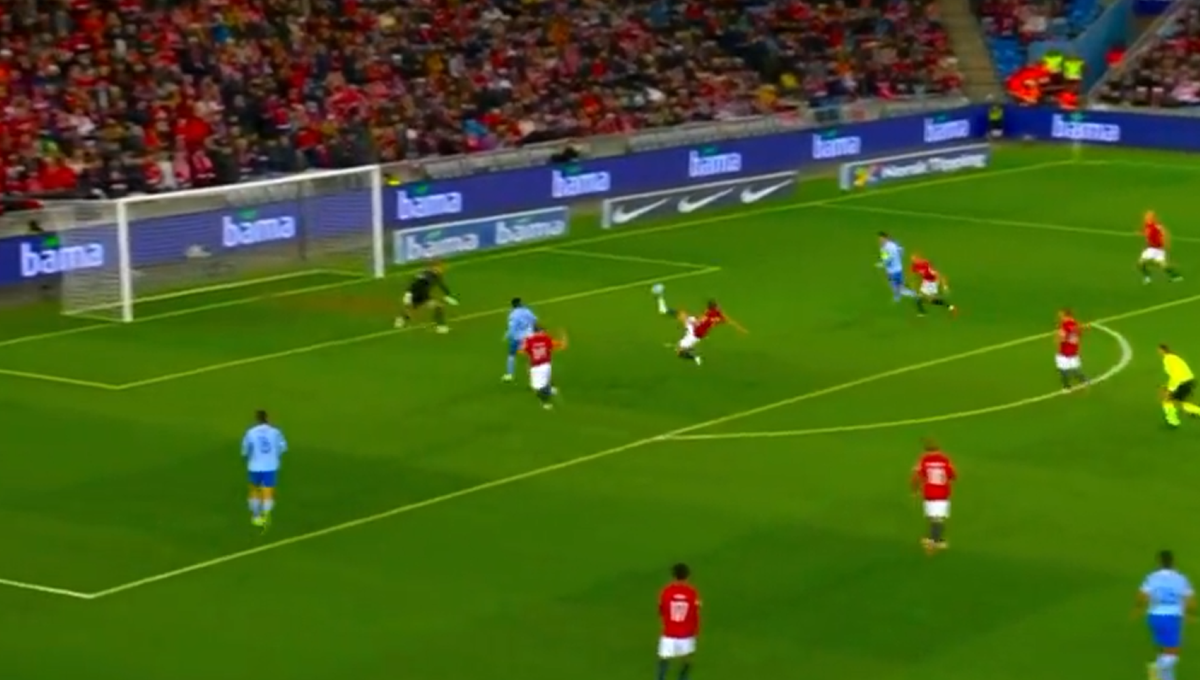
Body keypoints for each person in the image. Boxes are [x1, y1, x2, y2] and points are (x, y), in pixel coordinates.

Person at [1137, 550, 1194, 680]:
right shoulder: (1180, 578)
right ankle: (1157, 667)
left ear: (1159, 562)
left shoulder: (1152, 577)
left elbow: (1142, 595)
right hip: (1172, 617)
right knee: (1173, 653)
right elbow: (1189, 599)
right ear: (1173, 562)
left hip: (1154, 616)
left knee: (1164, 650)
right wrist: (1190, 613)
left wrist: (1140, 608)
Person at [241, 409, 288, 529]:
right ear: (267, 418)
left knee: (254, 491)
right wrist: (274, 455)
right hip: (270, 466)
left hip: (254, 466)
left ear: (257, 419)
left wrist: (249, 457)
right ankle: (266, 516)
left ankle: (256, 517)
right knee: (268, 492)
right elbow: (283, 447)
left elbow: (245, 450)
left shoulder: (251, 432)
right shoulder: (275, 432)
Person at [657, 563, 700, 680]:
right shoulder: (692, 592)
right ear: (688, 576)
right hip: (686, 633)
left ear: (673, 576)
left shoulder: (666, 591)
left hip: (669, 632)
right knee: (686, 659)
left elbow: (661, 609)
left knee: (664, 658)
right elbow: (695, 612)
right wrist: (695, 630)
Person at [395, 261, 458, 332]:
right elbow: (415, 284)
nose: (441, 270)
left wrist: (448, 296)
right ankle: (401, 319)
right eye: (439, 268)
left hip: (425, 296)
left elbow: (442, 285)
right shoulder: (426, 275)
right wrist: (408, 294)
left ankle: (440, 326)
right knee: (410, 311)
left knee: (438, 306)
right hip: (415, 295)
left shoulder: (437, 276)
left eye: (441, 268)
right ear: (433, 268)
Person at [1159, 345, 1200, 428]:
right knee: (1183, 403)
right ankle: (1192, 412)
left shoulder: (1167, 359)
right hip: (1189, 381)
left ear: (1162, 351)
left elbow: (1174, 374)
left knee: (1167, 401)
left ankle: (1173, 421)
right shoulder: (1175, 357)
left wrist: (1170, 389)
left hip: (1182, 383)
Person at [503, 298, 537, 382]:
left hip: (517, 338)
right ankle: (534, 376)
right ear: (520, 303)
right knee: (530, 356)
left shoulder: (512, 315)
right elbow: (534, 320)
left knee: (511, 354)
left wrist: (507, 335)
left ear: (513, 305)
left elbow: (512, 328)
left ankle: (509, 375)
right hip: (529, 336)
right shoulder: (527, 311)